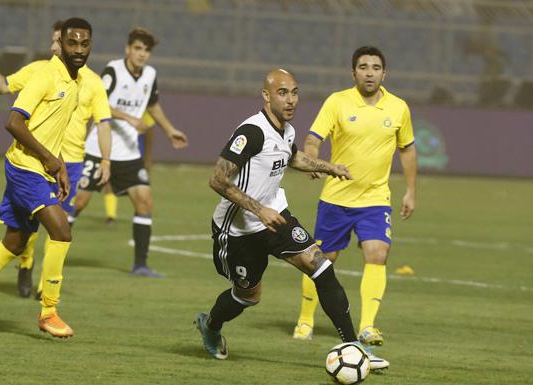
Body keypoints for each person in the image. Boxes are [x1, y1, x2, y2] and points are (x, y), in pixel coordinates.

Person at [194, 69, 389, 370]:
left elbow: (292, 156)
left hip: (277, 217)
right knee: (249, 294)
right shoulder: (252, 132)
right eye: (282, 93)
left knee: (321, 266)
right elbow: (217, 179)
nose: (290, 100)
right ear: (266, 96)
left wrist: (328, 166)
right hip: (237, 231)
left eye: (295, 92)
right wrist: (258, 209)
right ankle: (212, 325)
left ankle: (354, 348)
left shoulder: (286, 131)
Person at [0, 18, 95, 338]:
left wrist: (60, 166)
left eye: (84, 44)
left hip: (38, 168)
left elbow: (52, 130)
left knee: (15, 242)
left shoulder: (77, 81)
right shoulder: (44, 74)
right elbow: (13, 122)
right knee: (62, 232)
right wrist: (50, 159)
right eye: (72, 43)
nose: (78, 50)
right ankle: (49, 311)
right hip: (26, 168)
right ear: (60, 44)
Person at [0, 21, 112, 298]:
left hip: (69, 162)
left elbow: (104, 122)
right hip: (38, 160)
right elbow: (4, 89)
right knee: (47, 227)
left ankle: (40, 290)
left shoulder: (91, 82)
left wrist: (106, 160)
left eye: (58, 42)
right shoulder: (41, 71)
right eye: (57, 41)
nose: (54, 47)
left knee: (59, 227)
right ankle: (32, 275)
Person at [292, 46, 417, 346]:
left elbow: (407, 149)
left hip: (375, 199)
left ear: (384, 74)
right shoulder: (337, 101)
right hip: (337, 198)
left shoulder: (398, 108)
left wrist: (411, 190)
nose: (369, 72)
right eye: (363, 67)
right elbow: (312, 138)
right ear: (353, 73)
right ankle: (305, 320)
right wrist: (313, 160)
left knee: (378, 253)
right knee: (321, 260)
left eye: (375, 67)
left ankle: (367, 327)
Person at [71, 27, 188, 278]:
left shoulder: (150, 75)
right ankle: (51, 250)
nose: (142, 54)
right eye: (137, 48)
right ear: (128, 49)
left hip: (129, 153)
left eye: (146, 50)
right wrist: (130, 119)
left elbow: (153, 105)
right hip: (98, 148)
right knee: (78, 203)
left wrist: (170, 130)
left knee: (145, 201)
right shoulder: (114, 70)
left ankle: (140, 265)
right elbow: (98, 103)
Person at [103, 112, 156, 224]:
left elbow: (149, 129)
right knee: (108, 178)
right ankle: (111, 215)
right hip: (115, 143)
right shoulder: (115, 102)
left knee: (140, 188)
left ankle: (140, 213)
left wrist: (147, 156)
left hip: (135, 145)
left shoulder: (142, 105)